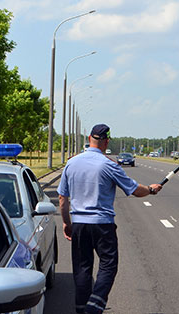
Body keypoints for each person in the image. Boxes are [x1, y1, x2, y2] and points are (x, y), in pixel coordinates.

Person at [58, 123, 163, 314]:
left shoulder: (71, 163)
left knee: (82, 269)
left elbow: (62, 198)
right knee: (108, 265)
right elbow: (134, 190)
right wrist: (150, 189)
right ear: (106, 142)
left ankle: (82, 309)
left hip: (79, 224)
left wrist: (66, 222)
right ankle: (95, 306)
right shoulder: (108, 165)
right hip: (102, 225)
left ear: (89, 138)